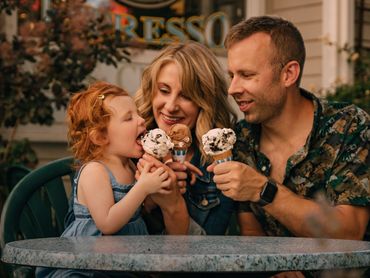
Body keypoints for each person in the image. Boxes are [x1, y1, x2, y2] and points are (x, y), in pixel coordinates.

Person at [209, 15, 370, 241]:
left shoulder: (349, 126)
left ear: (288, 74)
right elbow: (252, 233)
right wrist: (278, 268)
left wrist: (264, 190)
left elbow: (348, 231)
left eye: (246, 75)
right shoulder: (241, 138)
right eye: (232, 76)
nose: (232, 89)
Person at [37, 81, 172, 277]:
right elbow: (107, 223)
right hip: (88, 262)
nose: (141, 120)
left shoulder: (131, 165)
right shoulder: (95, 171)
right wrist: (143, 188)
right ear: (100, 137)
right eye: (128, 118)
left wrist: (156, 188)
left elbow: (135, 207)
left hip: (125, 260)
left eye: (137, 113)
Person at [134, 40, 239, 235]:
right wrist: (145, 199)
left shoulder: (218, 167)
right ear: (151, 91)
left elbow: (206, 252)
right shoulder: (127, 148)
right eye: (164, 90)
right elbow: (94, 231)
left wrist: (172, 202)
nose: (171, 105)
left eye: (187, 96)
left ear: (205, 101)